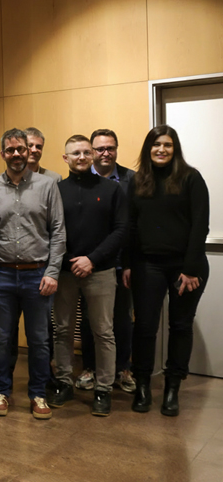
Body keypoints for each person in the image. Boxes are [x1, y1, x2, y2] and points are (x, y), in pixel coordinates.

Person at [0, 128, 65, 420]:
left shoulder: (47, 185)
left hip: (37, 275)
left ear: (29, 151)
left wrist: (53, 272)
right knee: (1, 339)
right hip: (0, 275)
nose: (16, 154)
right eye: (10, 150)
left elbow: (58, 232)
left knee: (39, 340)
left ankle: (39, 394)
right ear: (2, 154)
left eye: (21, 149)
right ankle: (1, 391)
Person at [125, 125, 209, 417]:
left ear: (175, 149)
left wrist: (191, 268)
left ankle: (173, 388)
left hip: (186, 267)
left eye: (167, 145)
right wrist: (127, 264)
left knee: (181, 326)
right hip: (148, 264)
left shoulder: (190, 178)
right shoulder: (138, 182)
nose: (161, 149)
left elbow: (200, 225)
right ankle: (143, 387)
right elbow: (131, 228)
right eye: (156, 144)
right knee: (145, 327)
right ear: (148, 149)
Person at [47, 135, 126, 416]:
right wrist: (70, 261)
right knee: (63, 330)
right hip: (65, 273)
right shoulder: (56, 190)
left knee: (103, 331)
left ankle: (103, 389)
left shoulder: (111, 189)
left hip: (100, 271)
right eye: (74, 153)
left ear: (92, 154)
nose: (81, 157)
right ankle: (65, 382)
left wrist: (92, 259)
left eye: (85, 152)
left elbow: (120, 230)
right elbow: (50, 231)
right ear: (65, 158)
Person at [76, 128, 136, 393]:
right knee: (90, 320)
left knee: (122, 320)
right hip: (88, 265)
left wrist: (130, 263)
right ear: (91, 151)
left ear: (116, 149)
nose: (105, 153)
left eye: (110, 148)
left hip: (121, 264)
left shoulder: (131, 180)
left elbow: (133, 227)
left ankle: (122, 369)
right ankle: (90, 367)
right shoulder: (78, 180)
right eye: (99, 148)